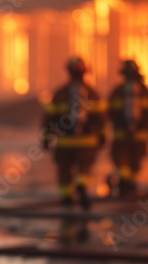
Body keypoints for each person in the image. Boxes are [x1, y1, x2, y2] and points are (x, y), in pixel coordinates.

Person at [41, 57, 105, 212]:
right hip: (87, 141)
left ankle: (66, 198)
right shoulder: (93, 93)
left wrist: (46, 137)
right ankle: (81, 185)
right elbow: (101, 118)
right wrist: (102, 135)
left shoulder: (60, 94)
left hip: (65, 142)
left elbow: (49, 118)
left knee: (64, 169)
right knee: (84, 167)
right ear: (85, 72)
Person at [107, 59, 148, 198]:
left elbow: (110, 112)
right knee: (135, 161)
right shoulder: (146, 91)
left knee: (121, 159)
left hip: (121, 135)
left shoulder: (118, 91)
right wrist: (145, 127)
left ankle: (125, 184)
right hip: (140, 136)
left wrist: (118, 126)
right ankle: (130, 187)